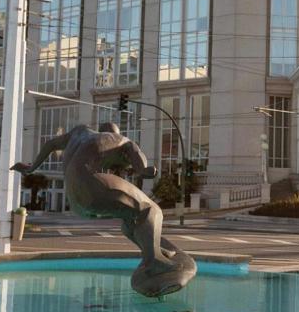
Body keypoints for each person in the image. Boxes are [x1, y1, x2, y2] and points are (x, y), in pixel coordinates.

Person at [11, 123, 195, 297]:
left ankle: (154, 250)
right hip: (90, 183)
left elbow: (50, 144)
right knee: (150, 210)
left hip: (75, 199)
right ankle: (154, 261)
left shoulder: (78, 133)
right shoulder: (121, 140)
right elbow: (139, 162)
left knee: (128, 215)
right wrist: (144, 170)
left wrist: (30, 168)